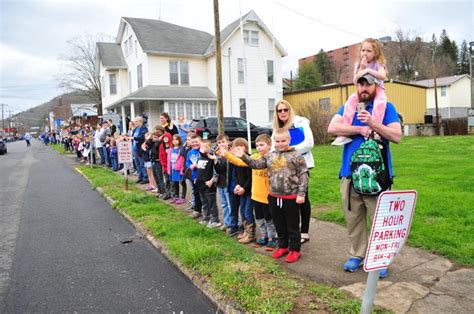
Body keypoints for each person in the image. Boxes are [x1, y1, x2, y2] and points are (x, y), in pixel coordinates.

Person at [327, 73, 402, 278]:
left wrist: (374, 123)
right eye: (359, 84)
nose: (363, 89)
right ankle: (357, 255)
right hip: (350, 174)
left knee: (379, 219)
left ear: (376, 86)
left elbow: (396, 136)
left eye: (367, 84)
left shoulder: (386, 107)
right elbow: (332, 128)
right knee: (353, 218)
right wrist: (360, 128)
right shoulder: (350, 107)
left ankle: (379, 259)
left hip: (377, 175)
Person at [231, 128, 308, 263]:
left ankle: (295, 249)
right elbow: (256, 165)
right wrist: (243, 156)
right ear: (274, 142)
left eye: (283, 141)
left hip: (291, 197)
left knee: (292, 225)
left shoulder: (296, 155)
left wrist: (301, 193)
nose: (280, 143)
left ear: (289, 140)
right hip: (273, 196)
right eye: (277, 141)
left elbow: (303, 175)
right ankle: (283, 246)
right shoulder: (270, 156)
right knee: (279, 224)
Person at [221, 133, 277, 249]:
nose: (259, 148)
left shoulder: (272, 158)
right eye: (257, 145)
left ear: (270, 145)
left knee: (269, 218)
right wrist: (227, 155)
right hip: (255, 195)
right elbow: (241, 162)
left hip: (267, 196)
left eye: (262, 145)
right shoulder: (255, 157)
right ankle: (264, 236)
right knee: (259, 218)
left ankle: (272, 238)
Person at [332, 38, 388, 146]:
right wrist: (362, 68)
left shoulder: (377, 63)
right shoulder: (358, 64)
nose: (365, 53)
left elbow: (383, 76)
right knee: (350, 103)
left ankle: (374, 132)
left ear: (375, 53)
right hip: (362, 90)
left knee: (380, 104)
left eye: (369, 51)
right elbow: (355, 81)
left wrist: (368, 70)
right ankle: (345, 133)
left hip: (378, 90)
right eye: (363, 50)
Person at [273, 99, 314, 244]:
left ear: (290, 110)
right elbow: (274, 148)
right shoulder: (277, 128)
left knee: (302, 198)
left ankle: (304, 232)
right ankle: (292, 231)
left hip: (301, 165)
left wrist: (290, 152)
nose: (283, 113)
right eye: (280, 110)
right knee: (289, 201)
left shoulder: (301, 123)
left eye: (285, 109)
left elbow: (309, 143)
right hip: (283, 169)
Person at [230, 138, 254, 244]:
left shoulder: (249, 159)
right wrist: (237, 186)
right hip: (241, 190)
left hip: (248, 191)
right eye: (236, 146)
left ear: (246, 147)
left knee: (248, 212)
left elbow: (250, 178)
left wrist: (244, 188)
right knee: (243, 211)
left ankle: (251, 234)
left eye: (241, 146)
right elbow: (235, 175)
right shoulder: (236, 160)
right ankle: (246, 231)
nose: (239, 148)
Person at [195, 139, 221, 228]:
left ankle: (215, 220)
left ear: (210, 147)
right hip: (201, 184)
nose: (203, 148)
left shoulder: (211, 157)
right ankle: (206, 217)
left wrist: (212, 180)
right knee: (204, 202)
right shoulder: (200, 157)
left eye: (206, 147)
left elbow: (217, 171)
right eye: (202, 146)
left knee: (211, 203)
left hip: (209, 184)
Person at [213, 134, 235, 233]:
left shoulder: (230, 153)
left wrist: (224, 156)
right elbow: (218, 170)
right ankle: (226, 222)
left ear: (228, 142)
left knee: (230, 205)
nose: (221, 144)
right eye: (219, 142)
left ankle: (232, 223)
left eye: (223, 142)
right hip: (220, 183)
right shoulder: (217, 154)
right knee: (224, 204)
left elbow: (228, 168)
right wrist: (216, 161)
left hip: (228, 183)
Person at [185, 133, 203, 219]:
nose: (194, 143)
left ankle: (209, 212)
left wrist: (197, 164)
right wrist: (190, 166)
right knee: (196, 194)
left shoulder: (202, 151)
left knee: (204, 195)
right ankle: (197, 210)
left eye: (196, 142)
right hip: (194, 176)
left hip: (203, 177)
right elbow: (187, 162)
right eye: (192, 142)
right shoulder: (190, 152)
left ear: (201, 142)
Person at [167, 134, 187, 204]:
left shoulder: (181, 149)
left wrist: (182, 169)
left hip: (180, 169)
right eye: (173, 140)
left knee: (182, 182)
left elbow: (183, 160)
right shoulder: (170, 150)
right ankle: (176, 196)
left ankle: (183, 197)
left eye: (176, 139)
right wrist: (169, 169)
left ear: (179, 140)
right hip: (173, 169)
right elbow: (168, 160)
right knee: (175, 183)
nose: (175, 141)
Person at [132, 116, 149, 184]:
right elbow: (133, 137)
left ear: (140, 122)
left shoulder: (144, 129)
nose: (135, 123)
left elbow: (141, 137)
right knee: (137, 163)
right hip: (134, 148)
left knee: (142, 163)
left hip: (140, 149)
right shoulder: (135, 129)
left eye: (136, 121)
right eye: (134, 121)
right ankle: (140, 177)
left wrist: (133, 138)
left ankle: (145, 177)